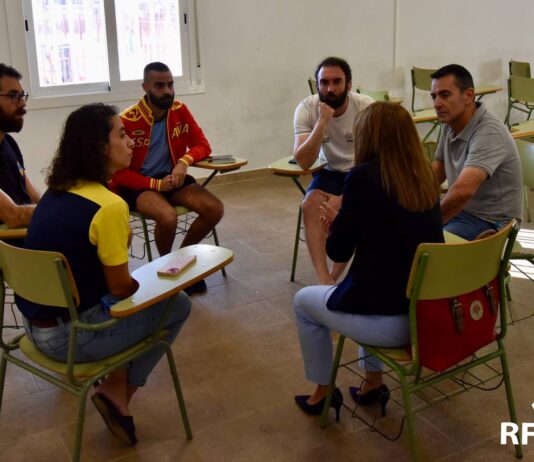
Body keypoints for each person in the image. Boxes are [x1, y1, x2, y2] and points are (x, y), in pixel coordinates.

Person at [16, 103, 191, 446]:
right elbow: (121, 288)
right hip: (72, 338)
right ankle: (117, 392)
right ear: (100, 147)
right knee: (178, 303)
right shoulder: (109, 206)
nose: (132, 143)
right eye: (122, 135)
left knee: (130, 300)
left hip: (34, 325)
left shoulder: (56, 192)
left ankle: (116, 386)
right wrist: (148, 284)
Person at [293, 102, 444, 420]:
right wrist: (349, 219)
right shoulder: (425, 177)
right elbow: (390, 231)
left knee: (305, 303)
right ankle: (372, 383)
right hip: (425, 316)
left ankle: (322, 393)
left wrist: (335, 222)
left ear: (367, 137)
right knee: (370, 282)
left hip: (386, 323)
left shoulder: (362, 178)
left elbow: (338, 251)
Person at [111, 61, 224, 294]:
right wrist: (154, 184)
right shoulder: (127, 120)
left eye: (171, 84)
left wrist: (183, 163)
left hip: (172, 179)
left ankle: (179, 263)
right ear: (145, 87)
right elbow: (118, 172)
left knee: (214, 208)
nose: (168, 91)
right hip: (139, 184)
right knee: (167, 217)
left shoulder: (180, 109)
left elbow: (203, 145)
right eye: (160, 85)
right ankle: (170, 269)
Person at [293, 57, 373, 285]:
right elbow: (304, 161)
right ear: (316, 85)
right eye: (324, 82)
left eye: (337, 82)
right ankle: (324, 280)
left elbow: (375, 160)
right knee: (309, 205)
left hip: (362, 171)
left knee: (349, 209)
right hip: (328, 171)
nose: (330, 88)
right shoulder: (306, 108)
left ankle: (334, 277)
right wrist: (322, 122)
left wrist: (345, 197)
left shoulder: (365, 107)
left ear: (348, 85)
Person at [430, 64, 523, 241]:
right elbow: (434, 176)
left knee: (429, 245)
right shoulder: (449, 126)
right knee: (404, 232)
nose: (436, 104)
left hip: (494, 223)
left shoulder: (488, 131)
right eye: (434, 96)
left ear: (469, 95)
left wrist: (425, 223)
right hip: (464, 213)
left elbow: (462, 191)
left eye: (445, 95)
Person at [0, 63, 39, 229]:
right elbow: (13, 215)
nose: (23, 104)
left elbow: (35, 199)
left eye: (23, 96)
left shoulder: (8, 143)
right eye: (14, 96)